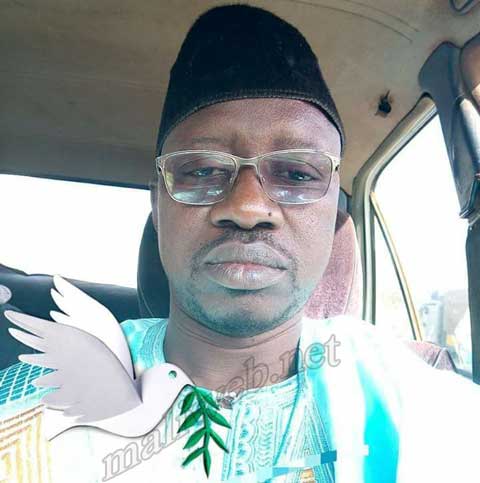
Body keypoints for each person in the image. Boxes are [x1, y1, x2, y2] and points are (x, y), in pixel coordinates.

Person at [0, 5, 479, 483]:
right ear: (158, 204)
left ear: (333, 205)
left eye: (297, 174)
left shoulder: (428, 415)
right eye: (202, 170)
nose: (248, 206)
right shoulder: (31, 410)